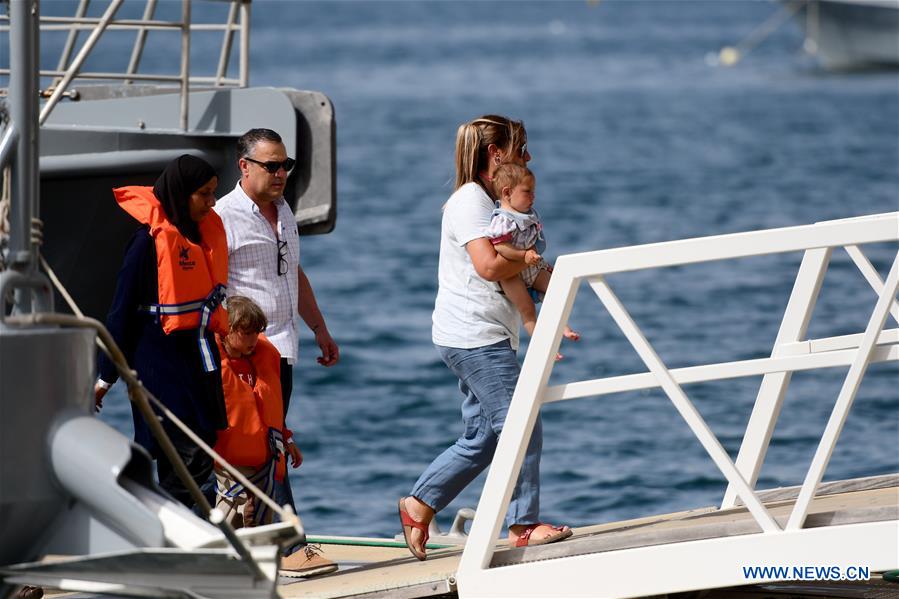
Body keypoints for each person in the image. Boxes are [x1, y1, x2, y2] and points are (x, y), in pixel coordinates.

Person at [399, 115, 572, 561]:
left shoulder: (496, 203)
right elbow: (490, 267)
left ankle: (418, 504)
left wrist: (562, 278)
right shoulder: (470, 202)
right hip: (474, 335)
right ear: (497, 156)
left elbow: (519, 267)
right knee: (521, 422)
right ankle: (523, 525)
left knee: (485, 435)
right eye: (522, 149)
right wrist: (532, 265)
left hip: (483, 332)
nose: (529, 158)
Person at [214, 127, 338, 569]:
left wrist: (320, 328)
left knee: (272, 442)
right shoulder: (224, 215)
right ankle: (288, 546)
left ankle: (251, 540)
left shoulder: (284, 209)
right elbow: (215, 288)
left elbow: (294, 275)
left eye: (285, 165)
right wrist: (229, 345)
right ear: (244, 166)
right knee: (269, 445)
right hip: (249, 349)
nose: (281, 173)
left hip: (285, 345)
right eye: (271, 165)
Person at [95, 154, 229, 508]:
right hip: (160, 374)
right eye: (204, 193)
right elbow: (120, 314)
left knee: (201, 456)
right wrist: (104, 378)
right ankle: (193, 549)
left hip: (200, 369)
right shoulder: (145, 244)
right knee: (183, 464)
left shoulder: (200, 236)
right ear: (182, 193)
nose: (212, 202)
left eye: (214, 193)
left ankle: (200, 542)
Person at [213, 295, 337, 578]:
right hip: (228, 458)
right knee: (233, 510)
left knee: (262, 513)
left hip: (264, 455)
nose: (252, 340)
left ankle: (260, 568)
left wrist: (287, 439)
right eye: (246, 334)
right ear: (228, 330)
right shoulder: (214, 365)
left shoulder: (261, 359)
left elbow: (271, 410)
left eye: (256, 333)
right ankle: (221, 565)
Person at [486, 163, 579, 349]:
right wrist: (523, 255)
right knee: (527, 309)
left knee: (555, 288)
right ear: (507, 193)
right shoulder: (502, 220)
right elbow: (501, 247)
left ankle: (563, 327)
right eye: (527, 192)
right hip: (511, 276)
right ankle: (542, 346)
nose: (533, 196)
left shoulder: (526, 215)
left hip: (532, 268)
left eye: (533, 191)